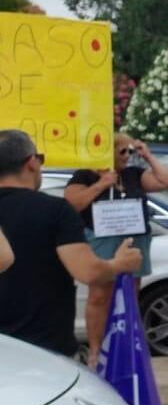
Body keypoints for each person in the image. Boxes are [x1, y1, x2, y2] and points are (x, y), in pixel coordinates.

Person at [0, 131, 142, 358]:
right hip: (47, 350)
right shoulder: (54, 211)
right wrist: (119, 264)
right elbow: (89, 272)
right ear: (31, 163)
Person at [64, 134, 168, 367]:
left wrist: (147, 155)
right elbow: (72, 203)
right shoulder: (85, 174)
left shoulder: (133, 174)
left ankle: (127, 343)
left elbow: (167, 181)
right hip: (103, 236)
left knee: (130, 294)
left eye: (130, 152)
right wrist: (101, 184)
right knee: (99, 294)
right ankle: (96, 350)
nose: (127, 156)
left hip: (135, 235)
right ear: (108, 151)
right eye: (122, 152)